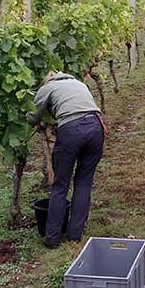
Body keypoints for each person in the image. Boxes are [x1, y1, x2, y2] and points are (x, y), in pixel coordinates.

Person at [27, 72, 106, 248]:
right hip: (96, 127)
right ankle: (75, 235)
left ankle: (52, 238)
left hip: (71, 130)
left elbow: (33, 118)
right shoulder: (78, 83)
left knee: (60, 185)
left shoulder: (46, 88)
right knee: (84, 182)